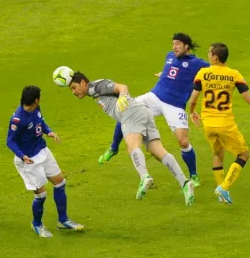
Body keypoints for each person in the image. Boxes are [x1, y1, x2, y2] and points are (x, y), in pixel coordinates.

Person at [99, 33, 209, 187]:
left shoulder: (198, 64)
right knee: (127, 111)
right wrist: (163, 74)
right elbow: (173, 72)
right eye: (173, 44)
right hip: (155, 97)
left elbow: (213, 73)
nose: (174, 47)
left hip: (175, 105)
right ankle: (113, 148)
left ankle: (193, 175)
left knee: (183, 142)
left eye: (178, 44)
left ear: (186, 46)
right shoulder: (169, 56)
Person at [69, 72, 195, 206]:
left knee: (132, 147)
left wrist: (123, 95)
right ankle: (185, 183)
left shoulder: (97, 85)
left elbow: (122, 86)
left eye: (74, 87)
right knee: (157, 151)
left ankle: (144, 177)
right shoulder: (92, 91)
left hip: (130, 112)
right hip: (142, 112)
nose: (73, 92)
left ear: (83, 82)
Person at [188, 43, 250, 205]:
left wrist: (192, 112)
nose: (208, 55)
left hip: (208, 124)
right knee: (244, 154)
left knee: (217, 154)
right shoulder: (234, 75)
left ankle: (221, 192)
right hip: (225, 124)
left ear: (215, 57)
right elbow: (249, 99)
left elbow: (193, 99)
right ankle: (224, 188)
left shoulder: (203, 73)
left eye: (209, 53)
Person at [6, 86, 84, 238]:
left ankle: (63, 220)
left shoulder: (35, 108)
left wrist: (49, 132)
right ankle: (37, 224)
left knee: (60, 183)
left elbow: (40, 121)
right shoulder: (17, 120)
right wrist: (22, 156)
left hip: (43, 151)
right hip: (28, 161)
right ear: (36, 100)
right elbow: (10, 141)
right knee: (41, 195)